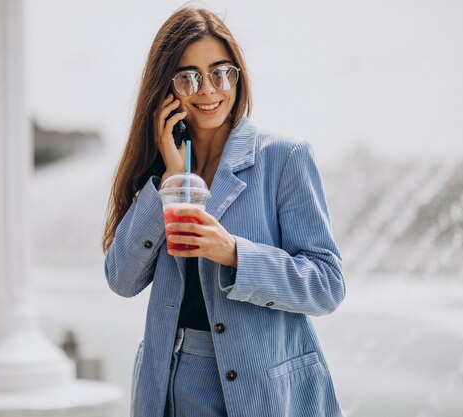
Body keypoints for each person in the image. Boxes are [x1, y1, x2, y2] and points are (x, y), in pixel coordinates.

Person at [102, 6, 346, 417]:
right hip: (168, 392)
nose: (208, 90)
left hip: (265, 394)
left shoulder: (285, 159)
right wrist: (171, 180)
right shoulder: (159, 172)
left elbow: (327, 285)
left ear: (238, 75)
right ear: (167, 89)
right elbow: (121, 280)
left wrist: (235, 252)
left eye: (220, 72)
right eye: (188, 77)